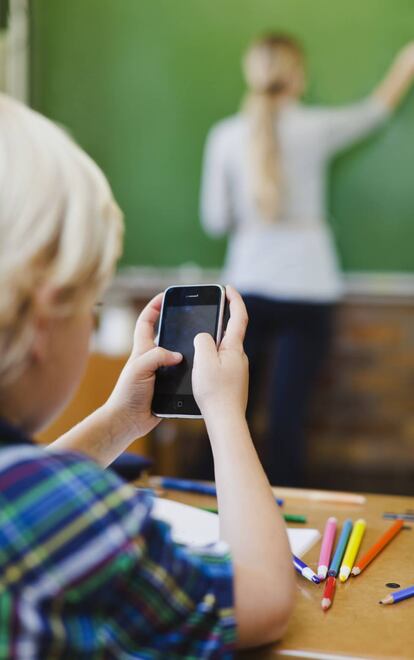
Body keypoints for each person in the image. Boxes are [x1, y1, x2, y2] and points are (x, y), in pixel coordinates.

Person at [0, 93, 295, 658]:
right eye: (90, 302)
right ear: (43, 321)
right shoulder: (72, 516)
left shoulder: (35, 501)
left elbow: (29, 486)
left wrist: (119, 421)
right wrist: (225, 414)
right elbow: (263, 600)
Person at [200, 34, 414, 487]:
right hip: (309, 287)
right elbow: (375, 111)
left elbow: (215, 220)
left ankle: (206, 498)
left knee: (229, 410)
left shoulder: (224, 135)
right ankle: (291, 513)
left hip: (246, 289)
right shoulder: (315, 127)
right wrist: (404, 65)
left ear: (252, 74)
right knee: (287, 416)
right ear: (297, 75)